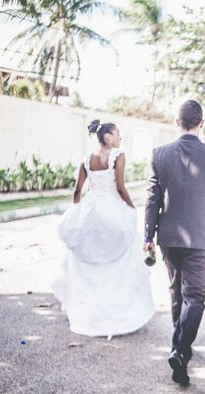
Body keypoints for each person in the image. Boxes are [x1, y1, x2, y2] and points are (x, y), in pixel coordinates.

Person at [144, 100, 205, 385]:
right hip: (201, 235)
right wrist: (202, 202)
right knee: (195, 296)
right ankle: (181, 349)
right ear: (201, 123)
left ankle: (179, 345)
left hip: (168, 235)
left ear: (177, 121)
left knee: (176, 291)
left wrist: (147, 236)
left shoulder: (160, 154)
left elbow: (152, 199)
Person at [53, 120, 155, 339]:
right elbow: (119, 187)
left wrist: (77, 213)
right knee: (117, 262)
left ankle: (90, 311)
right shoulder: (118, 155)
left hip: (91, 210)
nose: (120, 138)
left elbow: (77, 191)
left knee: (90, 265)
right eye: (118, 134)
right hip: (111, 210)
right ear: (108, 137)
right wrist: (131, 207)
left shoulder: (87, 158)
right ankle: (118, 310)